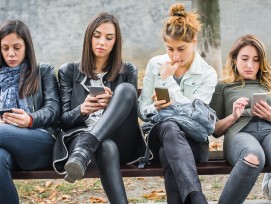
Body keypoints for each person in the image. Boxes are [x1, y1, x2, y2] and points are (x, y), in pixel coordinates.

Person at [52, 12, 143, 204]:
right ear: (89, 37)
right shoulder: (68, 71)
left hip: (120, 141)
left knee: (126, 90)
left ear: (115, 42)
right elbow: (63, 121)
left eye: (109, 38)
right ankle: (88, 145)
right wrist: (82, 109)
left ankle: (87, 145)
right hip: (83, 140)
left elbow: (132, 115)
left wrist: (113, 105)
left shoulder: (127, 71)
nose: (102, 42)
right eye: (97, 35)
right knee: (106, 146)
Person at [138, 3, 217, 204]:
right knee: (169, 127)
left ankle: (193, 198)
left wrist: (166, 81)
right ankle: (198, 198)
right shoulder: (155, 64)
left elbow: (196, 114)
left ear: (194, 42)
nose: (175, 56)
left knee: (168, 151)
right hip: (159, 135)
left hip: (194, 142)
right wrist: (153, 108)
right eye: (170, 49)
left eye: (181, 49)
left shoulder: (207, 73)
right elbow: (142, 108)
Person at [0, 20, 60, 204]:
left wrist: (30, 119)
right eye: (5, 48)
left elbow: (54, 109)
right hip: (5, 142)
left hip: (38, 141)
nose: (11, 53)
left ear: (27, 46)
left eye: (17, 47)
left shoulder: (43, 71)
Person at [209, 34, 271, 204]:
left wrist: (269, 115)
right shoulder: (223, 86)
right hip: (240, 133)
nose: (250, 65)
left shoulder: (269, 83)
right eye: (244, 58)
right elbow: (215, 130)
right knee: (253, 156)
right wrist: (234, 116)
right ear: (235, 59)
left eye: (256, 60)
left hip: (269, 131)